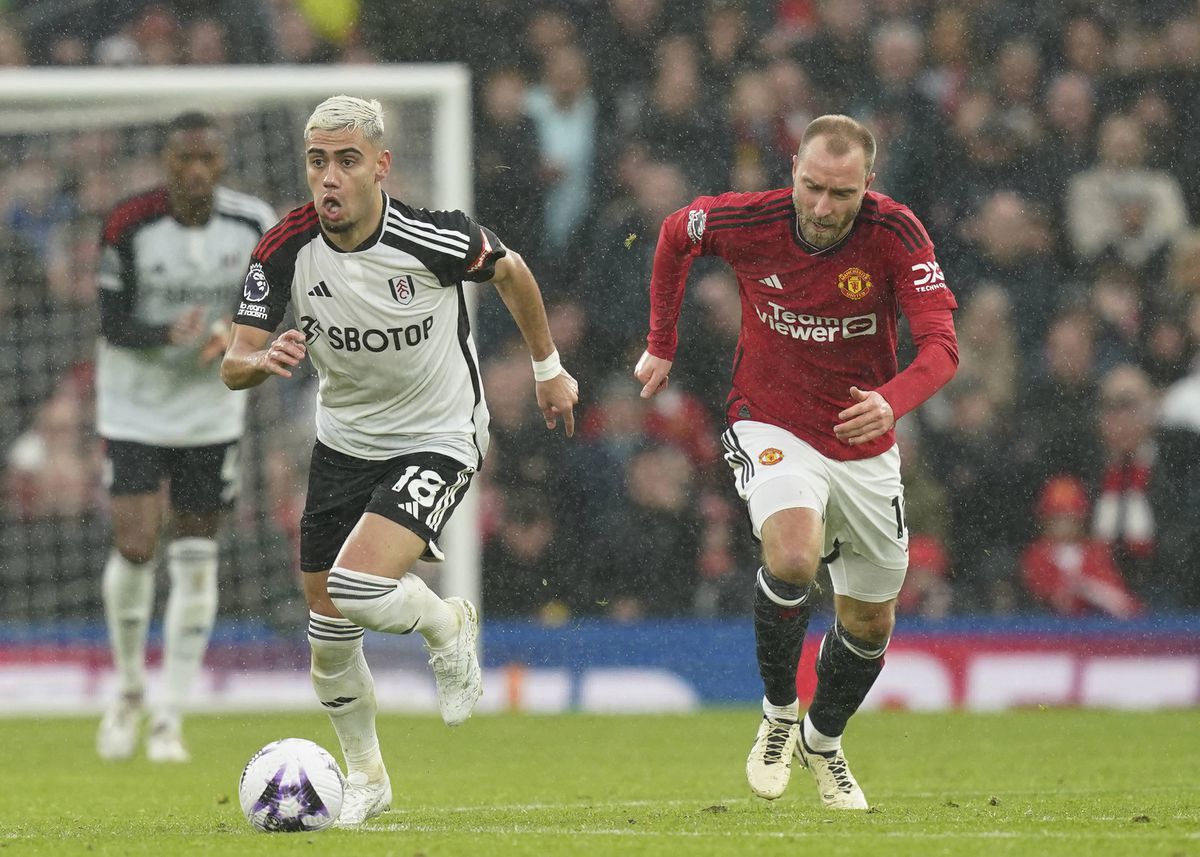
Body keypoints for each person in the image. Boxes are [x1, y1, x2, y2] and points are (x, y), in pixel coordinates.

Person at [220, 95, 578, 827]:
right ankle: (367, 777)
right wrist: (264, 359)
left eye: (347, 160)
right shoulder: (283, 247)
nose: (330, 177)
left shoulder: (431, 236)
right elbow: (233, 363)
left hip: (439, 434)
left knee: (356, 586)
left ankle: (447, 622)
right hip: (344, 443)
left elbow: (511, 271)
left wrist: (547, 367)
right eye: (318, 161)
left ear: (380, 166)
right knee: (327, 634)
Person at [635, 114, 958, 809]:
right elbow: (673, 234)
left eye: (841, 193)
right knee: (791, 555)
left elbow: (941, 346)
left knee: (870, 624)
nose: (822, 206)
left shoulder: (897, 234)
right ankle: (779, 711)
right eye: (812, 186)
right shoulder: (749, 219)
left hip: (863, 442)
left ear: (868, 185)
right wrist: (662, 341)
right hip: (770, 421)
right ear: (793, 171)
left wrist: (892, 400)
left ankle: (823, 739)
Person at [94, 112, 277, 763]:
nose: (196, 171)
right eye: (184, 160)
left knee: (197, 554)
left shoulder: (253, 223)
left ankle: (170, 715)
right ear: (167, 164)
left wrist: (235, 332)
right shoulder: (127, 223)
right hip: (136, 407)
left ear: (221, 164)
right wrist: (163, 333)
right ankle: (127, 690)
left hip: (211, 410)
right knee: (136, 544)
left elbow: (273, 301)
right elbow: (110, 321)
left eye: (207, 159)